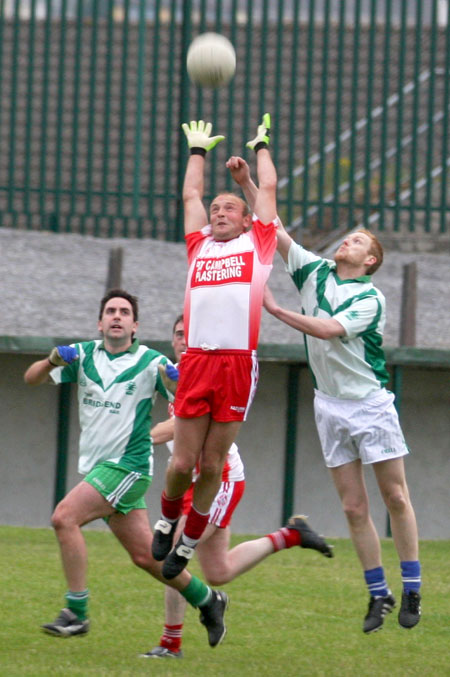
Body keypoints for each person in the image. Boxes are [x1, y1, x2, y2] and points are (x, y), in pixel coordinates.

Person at [23, 289, 229, 648]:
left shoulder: (151, 362)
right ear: (100, 322)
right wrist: (52, 361)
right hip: (100, 470)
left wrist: (177, 380)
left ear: (135, 325)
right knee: (147, 557)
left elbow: (184, 402)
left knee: (64, 518)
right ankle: (207, 600)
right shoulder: (82, 355)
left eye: (124, 312)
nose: (117, 316)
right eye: (110, 311)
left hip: (129, 467)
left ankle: (76, 612)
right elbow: (31, 379)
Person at [261, 225, 422, 634]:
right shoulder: (314, 271)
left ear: (370, 261)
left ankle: (412, 587)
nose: (347, 241)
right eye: (348, 237)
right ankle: (378, 592)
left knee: (396, 497)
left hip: (369, 404)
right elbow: (274, 228)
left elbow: (329, 330)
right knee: (353, 508)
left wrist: (277, 311)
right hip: (328, 405)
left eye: (358, 241)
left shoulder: (370, 297)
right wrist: (248, 181)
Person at [143, 314, 333, 658]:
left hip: (220, 480)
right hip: (193, 483)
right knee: (218, 572)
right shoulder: (171, 373)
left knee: (171, 556)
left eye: (191, 334)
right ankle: (291, 535)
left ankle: (171, 644)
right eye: (178, 334)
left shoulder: (205, 373)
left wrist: (139, 439)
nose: (184, 340)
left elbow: (178, 427)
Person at [152, 114, 282, 580]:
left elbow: (266, 191)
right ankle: (168, 520)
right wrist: (197, 151)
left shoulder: (257, 246)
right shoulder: (198, 246)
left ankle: (187, 545)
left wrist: (261, 147)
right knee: (182, 462)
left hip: (236, 364)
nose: (219, 212)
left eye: (228, 208)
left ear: (246, 219)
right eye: (216, 209)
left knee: (212, 464)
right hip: (199, 360)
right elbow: (190, 195)